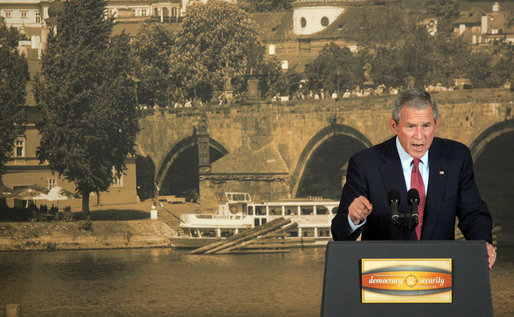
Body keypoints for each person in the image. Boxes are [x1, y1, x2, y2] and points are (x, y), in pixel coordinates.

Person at [331, 89, 497, 269]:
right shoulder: (365, 164)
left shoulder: (456, 157)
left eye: (426, 126)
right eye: (410, 127)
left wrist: (483, 243)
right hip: (383, 279)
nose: (419, 136)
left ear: (436, 123)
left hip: (439, 277)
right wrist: (353, 218)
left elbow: (472, 213)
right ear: (394, 126)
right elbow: (340, 233)